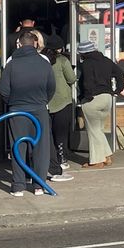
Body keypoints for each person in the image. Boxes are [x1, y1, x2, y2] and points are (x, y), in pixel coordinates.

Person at [0, 31, 55, 196]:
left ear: (18, 44)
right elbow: (51, 87)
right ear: (35, 44)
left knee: (18, 147)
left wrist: (14, 102)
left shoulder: (11, 64)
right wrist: (42, 101)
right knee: (41, 148)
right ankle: (39, 185)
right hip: (39, 109)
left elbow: (4, 90)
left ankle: (18, 186)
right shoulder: (44, 63)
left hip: (17, 111)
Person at [76, 40, 124, 168]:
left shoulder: (86, 64)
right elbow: (120, 73)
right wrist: (118, 90)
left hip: (93, 99)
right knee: (98, 129)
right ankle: (106, 156)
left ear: (83, 53)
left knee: (93, 131)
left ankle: (97, 161)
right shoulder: (106, 60)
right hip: (107, 98)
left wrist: (86, 96)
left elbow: (85, 82)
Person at [42, 35, 76, 179]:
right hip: (62, 100)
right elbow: (72, 78)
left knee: (48, 133)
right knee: (61, 132)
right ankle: (61, 158)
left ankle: (51, 159)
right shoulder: (63, 60)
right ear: (60, 48)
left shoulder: (42, 61)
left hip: (45, 101)